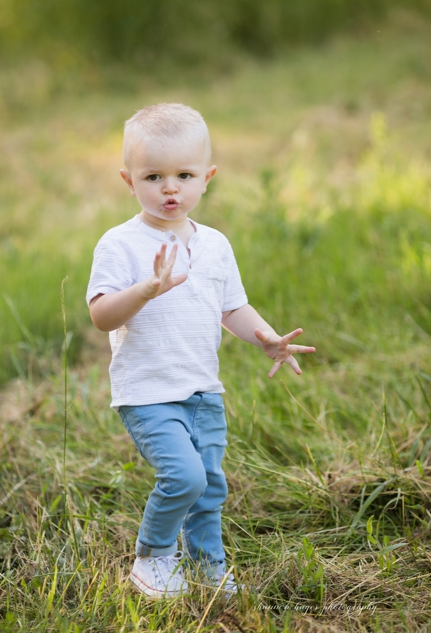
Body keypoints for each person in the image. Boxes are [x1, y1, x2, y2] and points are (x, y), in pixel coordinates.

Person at [87, 103, 315, 599]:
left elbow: (232, 308)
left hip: (203, 391)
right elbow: (102, 314)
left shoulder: (214, 245)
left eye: (184, 175)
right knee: (184, 476)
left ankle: (207, 564)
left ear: (207, 178)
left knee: (209, 486)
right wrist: (145, 290)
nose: (170, 188)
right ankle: (152, 558)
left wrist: (268, 339)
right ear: (129, 181)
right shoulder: (121, 244)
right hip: (148, 393)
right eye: (154, 176)